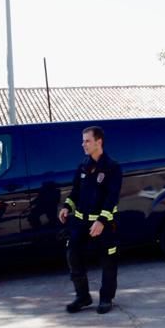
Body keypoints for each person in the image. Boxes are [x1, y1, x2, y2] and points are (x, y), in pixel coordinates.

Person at [58, 126, 122, 314]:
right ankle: (83, 296)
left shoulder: (113, 168)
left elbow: (112, 198)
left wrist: (101, 221)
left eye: (87, 141)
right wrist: (67, 207)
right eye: (83, 140)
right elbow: (75, 192)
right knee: (73, 256)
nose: (83, 144)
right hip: (80, 224)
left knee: (108, 260)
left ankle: (106, 298)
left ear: (98, 142)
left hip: (104, 224)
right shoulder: (82, 167)